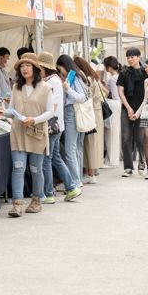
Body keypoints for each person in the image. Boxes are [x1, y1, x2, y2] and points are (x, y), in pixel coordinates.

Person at [5, 53, 52, 217]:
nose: (24, 69)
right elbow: (11, 109)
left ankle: (36, 200)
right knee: (18, 168)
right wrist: (2, 113)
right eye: (22, 66)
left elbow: (50, 112)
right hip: (18, 132)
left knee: (35, 169)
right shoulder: (16, 87)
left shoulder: (46, 88)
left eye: (28, 65)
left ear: (35, 68)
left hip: (37, 133)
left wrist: (35, 120)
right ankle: (17, 204)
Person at [37, 51, 82, 204]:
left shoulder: (52, 82)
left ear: (44, 68)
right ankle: (71, 187)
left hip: (52, 126)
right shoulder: (54, 80)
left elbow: (53, 105)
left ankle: (49, 193)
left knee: (47, 159)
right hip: (57, 125)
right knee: (55, 157)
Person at [56, 54, 89, 187]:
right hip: (75, 112)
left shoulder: (74, 77)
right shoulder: (78, 75)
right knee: (75, 149)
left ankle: (75, 181)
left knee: (70, 149)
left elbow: (81, 97)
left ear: (64, 66)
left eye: (60, 69)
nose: (60, 72)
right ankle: (77, 179)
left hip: (72, 112)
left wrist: (67, 89)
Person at [74, 56, 105, 184]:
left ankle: (90, 173)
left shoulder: (87, 79)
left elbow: (87, 98)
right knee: (94, 143)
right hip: (97, 113)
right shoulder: (94, 78)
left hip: (90, 113)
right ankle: (92, 172)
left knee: (90, 144)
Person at [117, 47, 147, 177]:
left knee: (140, 138)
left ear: (138, 57)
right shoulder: (124, 73)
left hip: (142, 109)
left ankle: (142, 160)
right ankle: (128, 167)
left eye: (132, 57)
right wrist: (128, 108)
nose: (130, 59)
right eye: (128, 57)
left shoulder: (146, 72)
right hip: (126, 108)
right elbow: (120, 92)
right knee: (126, 137)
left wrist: (138, 111)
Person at [102, 56, 122, 169]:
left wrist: (101, 86)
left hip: (114, 105)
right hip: (118, 106)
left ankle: (112, 161)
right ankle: (112, 159)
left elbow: (114, 95)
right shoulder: (118, 76)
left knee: (111, 134)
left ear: (109, 66)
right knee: (114, 133)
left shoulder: (113, 78)